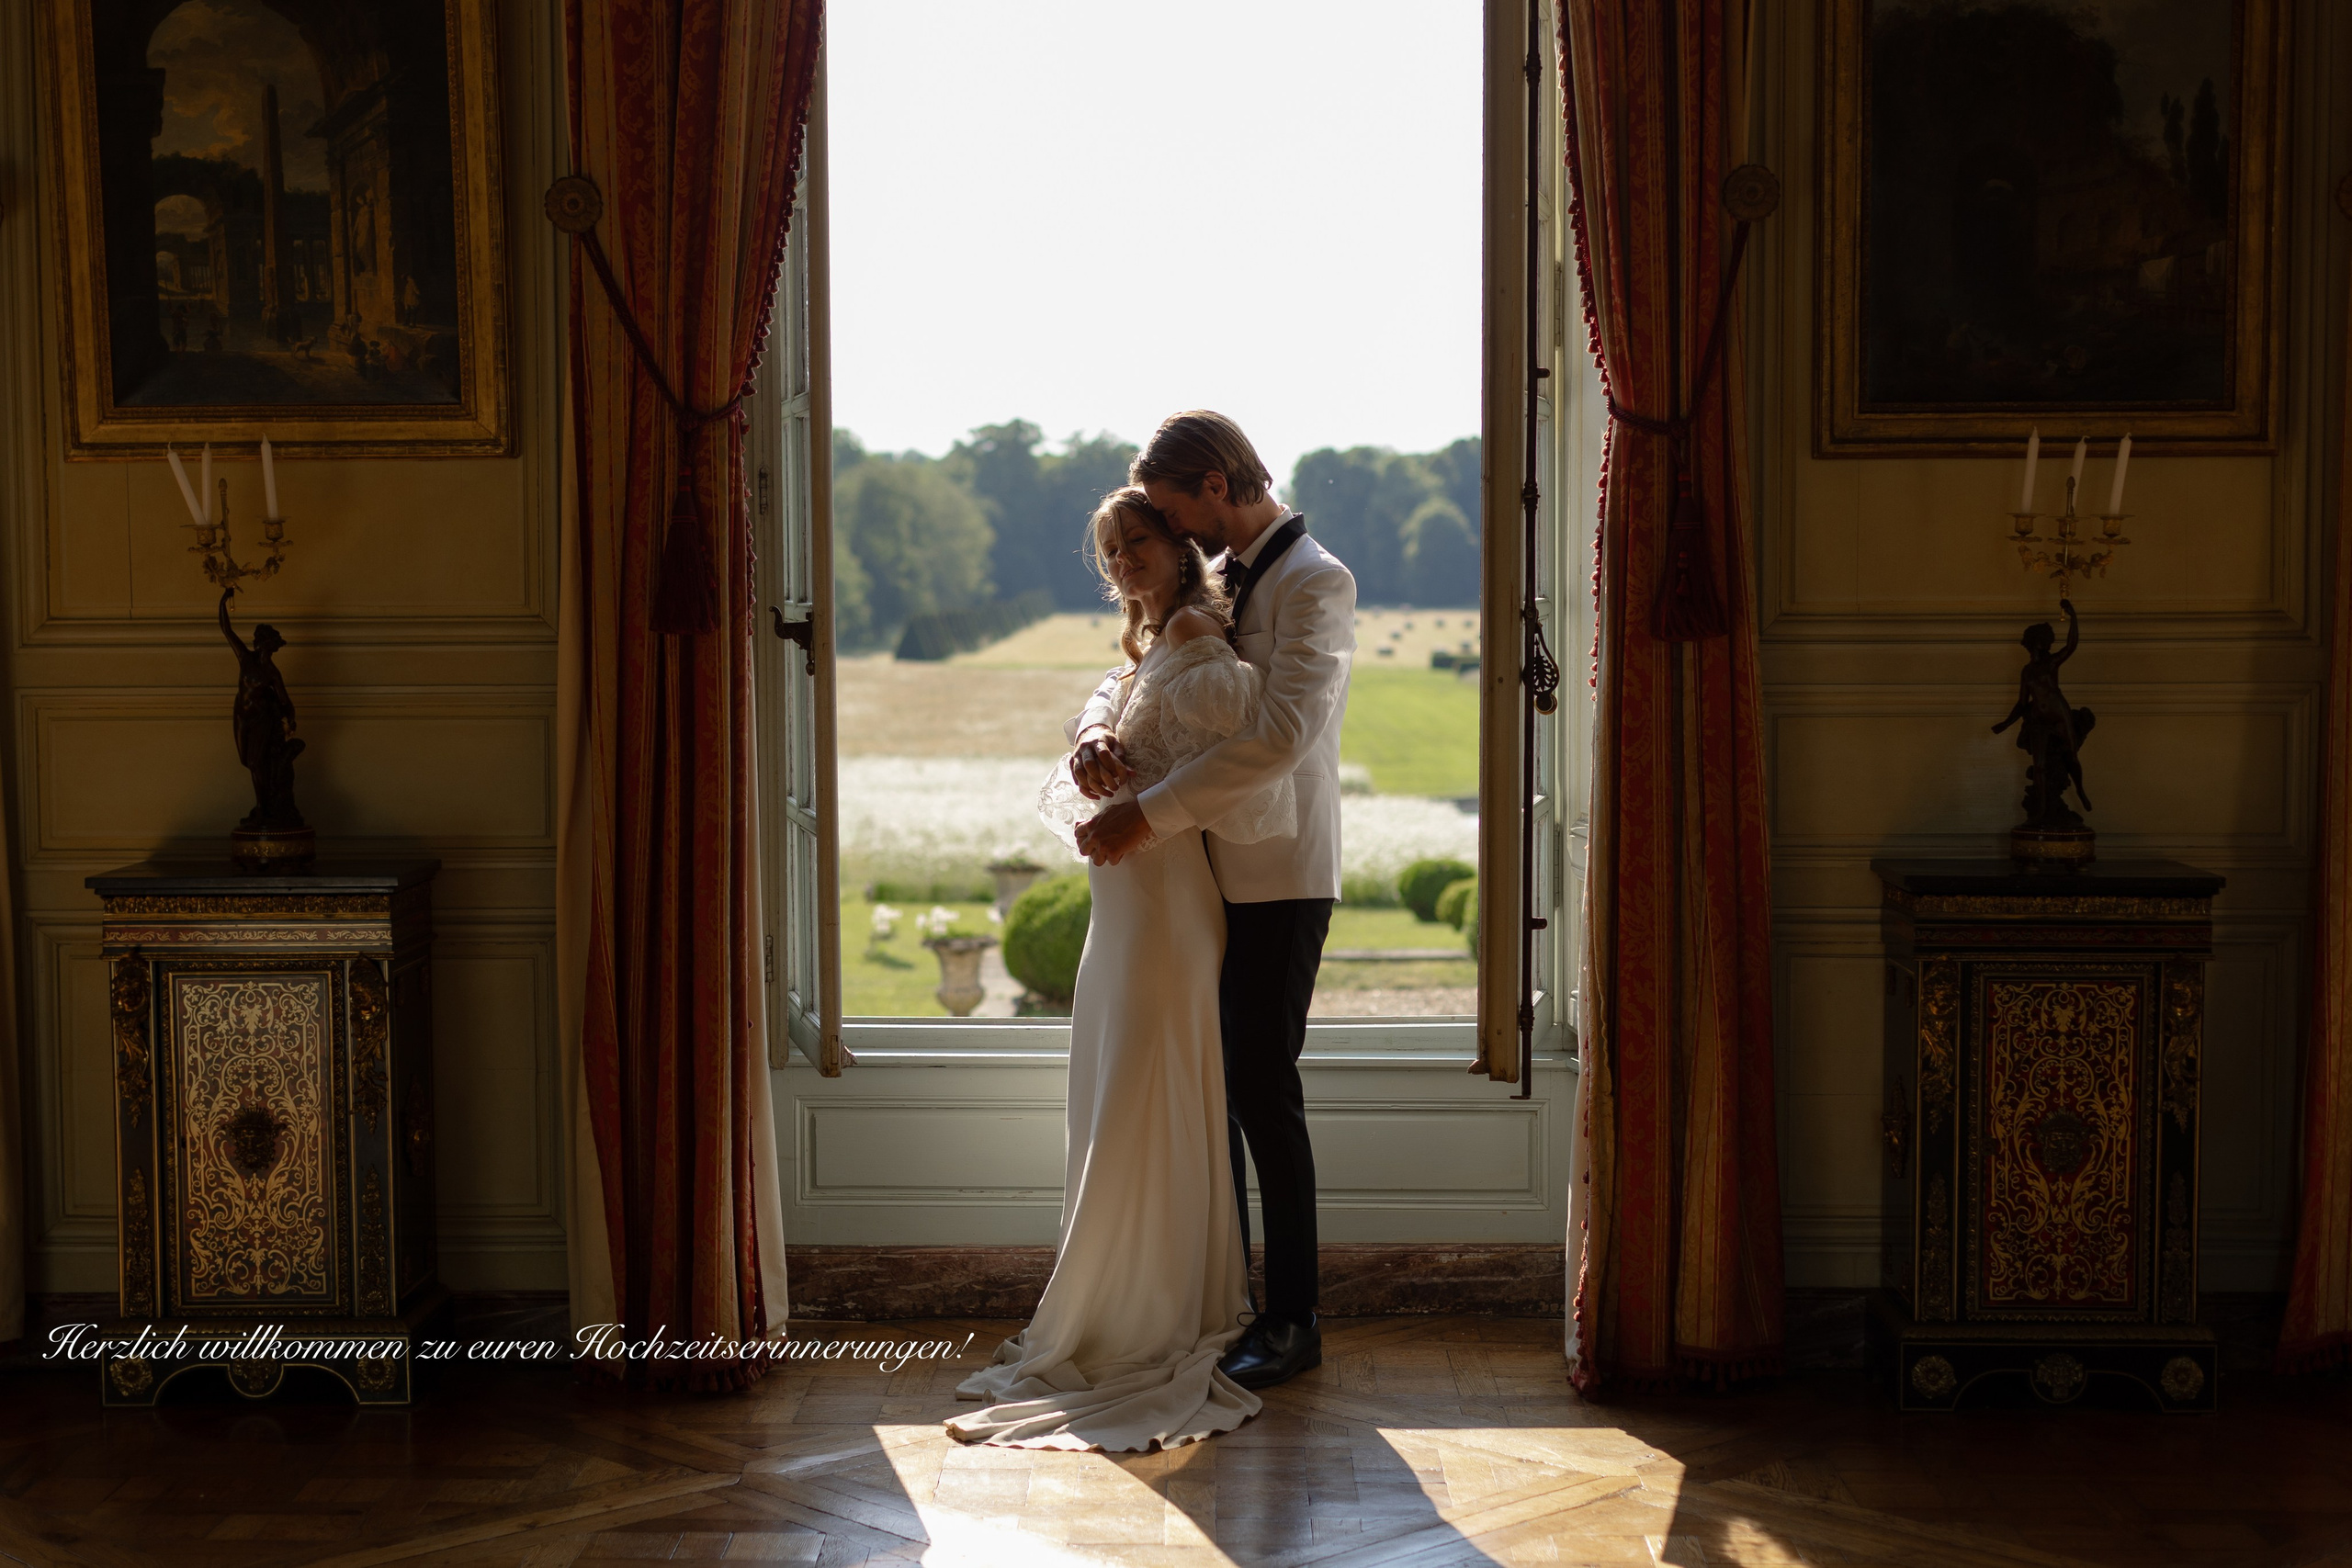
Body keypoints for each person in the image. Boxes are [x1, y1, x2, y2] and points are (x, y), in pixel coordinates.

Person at [949, 487, 1295, 1450]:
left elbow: (1244, 731)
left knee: (1142, 1097)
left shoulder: (1191, 634)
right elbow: (1115, 701)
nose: (1121, 560)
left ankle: (1145, 1310)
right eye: (1108, 549)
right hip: (1125, 909)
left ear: (1178, 546)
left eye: (1136, 540)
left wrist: (1140, 773)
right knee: (1116, 1100)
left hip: (1166, 907)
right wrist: (1099, 734)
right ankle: (1137, 1289)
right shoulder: (1149, 644)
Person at [1071, 410, 1356, 1393]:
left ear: (1218, 487)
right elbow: (1131, 666)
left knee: (1262, 1092)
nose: (1165, 531)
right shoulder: (1222, 573)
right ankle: (1218, 1298)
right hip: (1195, 884)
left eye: (1168, 509)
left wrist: (1144, 813)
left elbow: (1279, 735)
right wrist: (1096, 733)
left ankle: (1294, 1320)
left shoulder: (1317, 579)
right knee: (1211, 1090)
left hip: (1277, 871)